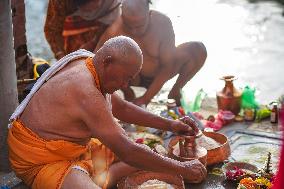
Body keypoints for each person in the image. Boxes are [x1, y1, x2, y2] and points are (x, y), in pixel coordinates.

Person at [8, 36, 206, 189]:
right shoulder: (85, 90)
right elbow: (127, 151)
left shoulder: (91, 62)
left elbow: (122, 108)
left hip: (72, 147)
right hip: (42, 161)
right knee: (135, 154)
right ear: (108, 62)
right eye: (125, 78)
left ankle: (102, 172)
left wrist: (170, 124)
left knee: (147, 155)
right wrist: (183, 169)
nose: (125, 85)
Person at [95, 0, 207, 106]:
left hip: (160, 71)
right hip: (132, 78)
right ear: (122, 17)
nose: (134, 31)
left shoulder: (162, 23)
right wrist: (126, 90)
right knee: (109, 63)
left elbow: (169, 65)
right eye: (129, 26)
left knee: (197, 49)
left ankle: (175, 91)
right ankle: (128, 94)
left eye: (139, 26)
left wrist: (146, 98)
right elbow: (96, 64)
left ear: (149, 14)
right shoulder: (114, 30)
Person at [44, 0, 121, 60]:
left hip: (105, 25)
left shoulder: (111, 5)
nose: (97, 5)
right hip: (73, 29)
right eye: (89, 8)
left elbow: (114, 19)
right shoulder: (60, 3)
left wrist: (95, 41)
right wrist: (62, 58)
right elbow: (52, 29)